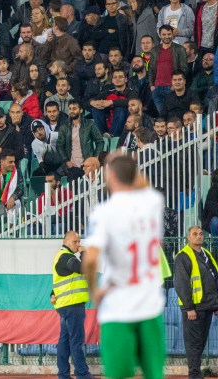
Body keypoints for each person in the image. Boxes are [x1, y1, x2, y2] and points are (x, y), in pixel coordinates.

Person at [82, 151, 165, 379]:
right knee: (154, 374)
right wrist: (125, 166)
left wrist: (94, 290)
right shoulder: (153, 203)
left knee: (118, 375)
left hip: (118, 306)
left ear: (110, 176)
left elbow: (89, 259)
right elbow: (142, 183)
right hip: (150, 304)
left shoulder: (105, 213)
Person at [173, 225, 218, 379]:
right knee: (193, 344)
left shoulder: (207, 254)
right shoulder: (183, 256)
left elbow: (215, 279)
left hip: (208, 306)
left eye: (200, 234)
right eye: (195, 234)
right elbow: (181, 284)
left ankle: (196, 374)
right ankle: (194, 375)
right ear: (188, 237)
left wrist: (216, 304)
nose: (199, 236)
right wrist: (188, 308)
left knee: (200, 342)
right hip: (194, 309)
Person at [52, 230, 91, 379]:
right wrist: (85, 253)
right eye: (75, 242)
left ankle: (63, 374)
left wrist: (52, 294)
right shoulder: (65, 257)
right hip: (72, 306)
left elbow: (58, 282)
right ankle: (82, 374)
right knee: (76, 341)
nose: (78, 245)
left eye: (79, 242)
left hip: (66, 306)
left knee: (65, 341)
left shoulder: (60, 258)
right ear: (66, 242)